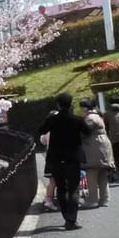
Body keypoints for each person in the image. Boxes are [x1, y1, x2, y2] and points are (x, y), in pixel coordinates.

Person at [37, 93, 91, 230]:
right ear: (71, 103)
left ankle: (66, 216)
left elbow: (41, 130)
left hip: (56, 158)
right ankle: (72, 220)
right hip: (73, 158)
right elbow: (88, 132)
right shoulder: (77, 119)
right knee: (73, 188)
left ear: (58, 104)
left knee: (61, 188)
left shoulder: (53, 119)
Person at [79, 99, 115, 207]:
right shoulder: (98, 116)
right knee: (102, 175)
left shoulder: (89, 118)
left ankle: (92, 200)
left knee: (92, 175)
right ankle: (105, 199)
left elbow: (83, 132)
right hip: (103, 147)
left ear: (85, 108)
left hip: (94, 148)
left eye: (81, 108)